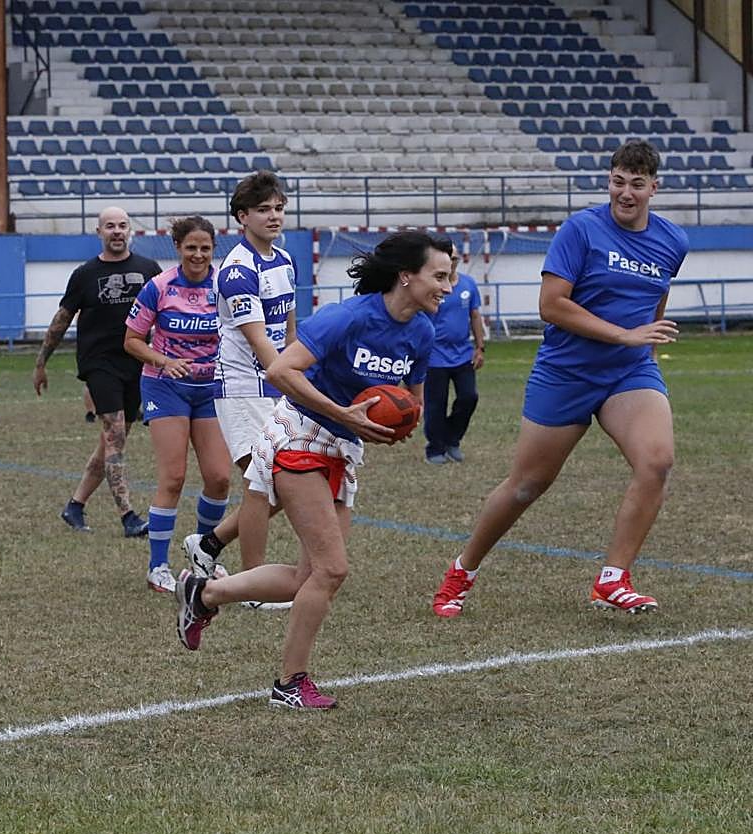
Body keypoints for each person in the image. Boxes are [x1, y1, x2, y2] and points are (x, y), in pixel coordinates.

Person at [175, 231, 450, 709]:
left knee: (309, 576)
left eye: (450, 277)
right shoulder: (348, 317)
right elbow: (281, 371)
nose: (448, 287)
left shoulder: (422, 332)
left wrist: (398, 421)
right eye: (439, 276)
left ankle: (204, 594)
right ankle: (289, 684)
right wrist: (344, 413)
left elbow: (412, 400)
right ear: (406, 276)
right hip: (300, 436)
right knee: (332, 568)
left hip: (342, 447)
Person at [432, 140, 689, 618]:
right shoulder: (580, 230)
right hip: (566, 372)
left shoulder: (673, 241)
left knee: (657, 462)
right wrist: (624, 333)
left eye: (636, 184)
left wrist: (645, 344)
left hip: (629, 371)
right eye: (618, 181)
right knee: (526, 485)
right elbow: (551, 306)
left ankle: (613, 579)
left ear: (654, 187)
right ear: (608, 180)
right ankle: (462, 570)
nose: (625, 193)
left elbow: (657, 293)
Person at [182, 171, 296, 598]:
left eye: (279, 208)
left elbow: (288, 329)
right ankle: (253, 587)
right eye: (263, 209)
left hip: (277, 384)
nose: (274, 216)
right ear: (242, 216)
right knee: (264, 484)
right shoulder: (236, 270)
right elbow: (258, 338)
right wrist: (294, 382)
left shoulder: (285, 261)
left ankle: (209, 544)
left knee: (286, 485)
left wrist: (297, 374)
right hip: (242, 387)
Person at [33, 206, 160, 538]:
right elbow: (62, 320)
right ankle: (129, 517)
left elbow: (166, 313)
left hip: (137, 362)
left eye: (122, 225)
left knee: (111, 443)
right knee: (115, 437)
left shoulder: (149, 270)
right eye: (110, 226)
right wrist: (41, 362)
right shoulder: (85, 274)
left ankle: (75, 505)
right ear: (99, 232)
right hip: (99, 364)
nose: (117, 231)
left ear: (130, 230)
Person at [123, 216, 230, 593]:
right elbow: (131, 341)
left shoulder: (225, 286)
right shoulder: (158, 287)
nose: (198, 255)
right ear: (178, 248)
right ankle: (158, 567)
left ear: (213, 249)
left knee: (219, 477)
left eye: (205, 248)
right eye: (191, 248)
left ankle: (203, 556)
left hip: (211, 388)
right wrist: (164, 361)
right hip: (165, 387)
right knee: (174, 476)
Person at [422, 247, 485, 464]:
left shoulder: (468, 284)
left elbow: (475, 315)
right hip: (435, 356)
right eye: (449, 258)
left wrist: (480, 347)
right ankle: (435, 448)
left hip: (463, 354)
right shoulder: (431, 286)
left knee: (469, 397)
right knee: (435, 404)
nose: (453, 261)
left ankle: (452, 438)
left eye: (455, 258)